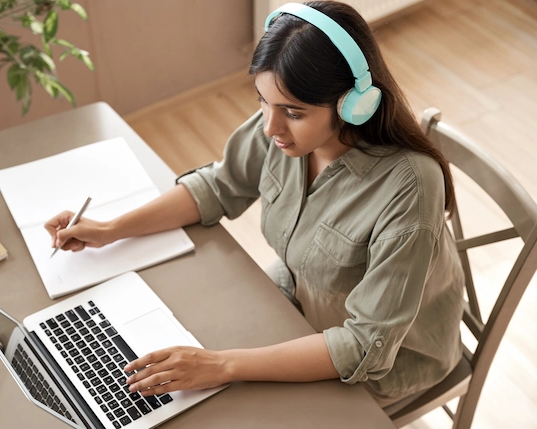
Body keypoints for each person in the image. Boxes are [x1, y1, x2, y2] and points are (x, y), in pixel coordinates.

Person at [45, 1, 465, 414]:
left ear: (354, 105)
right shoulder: (284, 130)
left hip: (384, 365)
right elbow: (219, 185)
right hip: (301, 302)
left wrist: (223, 364)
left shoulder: (408, 188)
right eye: (263, 100)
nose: (270, 126)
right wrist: (111, 229)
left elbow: (363, 347)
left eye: (293, 113)